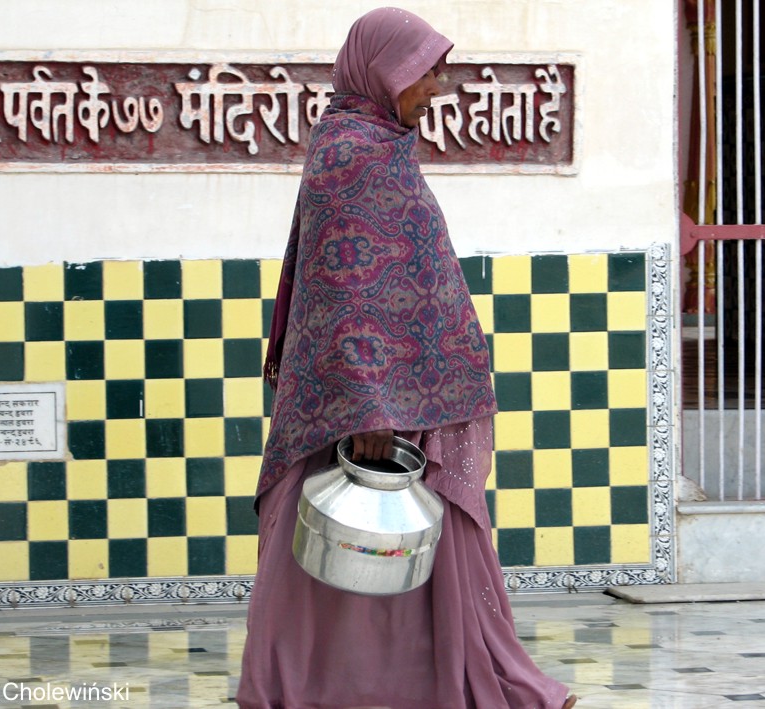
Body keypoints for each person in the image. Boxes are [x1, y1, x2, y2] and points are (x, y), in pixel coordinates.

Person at [236, 7, 577, 709]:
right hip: (366, 404)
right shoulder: (351, 152)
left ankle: (452, 678)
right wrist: (372, 408)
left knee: (425, 542)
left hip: (409, 391)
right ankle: (318, 684)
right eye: (424, 72)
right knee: (342, 535)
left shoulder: (380, 144)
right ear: (384, 71)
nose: (435, 88)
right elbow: (346, 286)